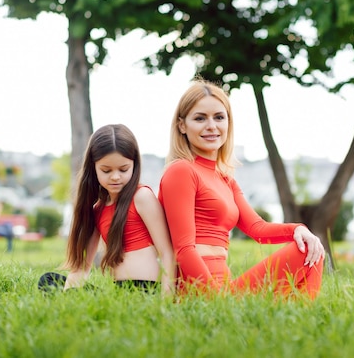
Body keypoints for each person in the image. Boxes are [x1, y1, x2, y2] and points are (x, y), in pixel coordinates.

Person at [158, 78, 325, 299]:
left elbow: (259, 229)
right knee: (304, 251)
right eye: (200, 118)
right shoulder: (181, 171)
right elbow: (184, 249)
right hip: (199, 291)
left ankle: (300, 322)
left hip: (226, 286)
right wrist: (217, 301)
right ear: (182, 126)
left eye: (219, 117)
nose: (211, 126)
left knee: (311, 247)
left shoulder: (226, 180)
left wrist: (298, 229)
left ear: (228, 123)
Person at [39, 124, 175, 296]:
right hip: (117, 294)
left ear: (134, 165)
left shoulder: (141, 197)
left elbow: (167, 253)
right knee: (49, 280)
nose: (115, 176)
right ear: (93, 168)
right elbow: (82, 268)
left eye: (123, 169)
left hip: (145, 292)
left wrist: (166, 300)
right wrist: (69, 293)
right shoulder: (97, 209)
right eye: (106, 170)